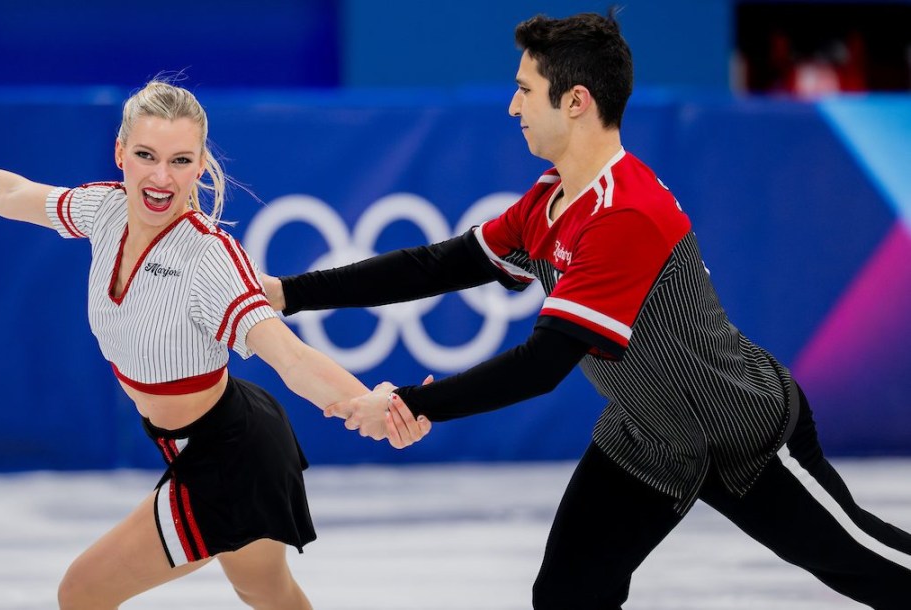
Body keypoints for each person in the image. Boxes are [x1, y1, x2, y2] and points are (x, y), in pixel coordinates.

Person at [262, 10, 911, 610]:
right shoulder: (551, 199)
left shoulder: (624, 216)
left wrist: (411, 404)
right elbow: (435, 265)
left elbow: (541, 365)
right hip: (650, 435)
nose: (513, 105)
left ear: (575, 101)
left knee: (870, 567)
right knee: (567, 596)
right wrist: (288, 293)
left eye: (525, 89)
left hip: (742, 430)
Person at [0, 79, 430, 610]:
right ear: (120, 153)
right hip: (227, 441)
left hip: (230, 456)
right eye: (146, 156)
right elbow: (14, 194)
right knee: (266, 591)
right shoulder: (104, 210)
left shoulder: (209, 259)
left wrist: (377, 405)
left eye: (180, 161)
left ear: (200, 165)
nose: (161, 178)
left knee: (82, 592)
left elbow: (291, 358)